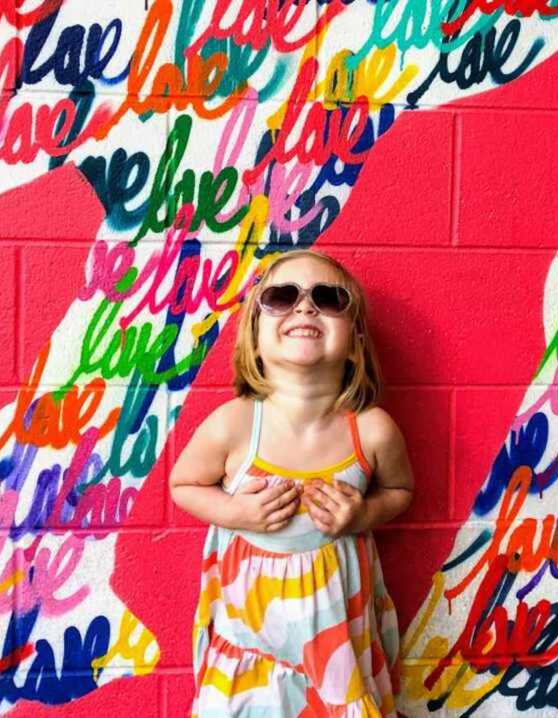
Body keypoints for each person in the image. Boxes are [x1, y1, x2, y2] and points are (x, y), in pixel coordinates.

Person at [170, 249, 415, 717]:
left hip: (338, 650)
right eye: (282, 297)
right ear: (255, 339)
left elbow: (400, 492)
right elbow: (183, 485)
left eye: (328, 298)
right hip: (251, 652)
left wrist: (363, 514)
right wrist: (235, 512)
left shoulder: (372, 430)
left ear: (355, 341)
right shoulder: (235, 424)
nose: (305, 307)